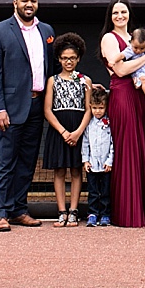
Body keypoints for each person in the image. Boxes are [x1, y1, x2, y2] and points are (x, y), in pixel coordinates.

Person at [0, 0, 58, 232]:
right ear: (15, 3)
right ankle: (0, 212)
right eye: (25, 0)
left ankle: (18, 209)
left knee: (27, 161)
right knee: (6, 161)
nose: (29, 4)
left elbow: (51, 70)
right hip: (11, 108)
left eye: (33, 0)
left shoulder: (46, 31)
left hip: (38, 105)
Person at [99, 0, 145, 227]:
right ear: (110, 16)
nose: (119, 16)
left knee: (141, 148)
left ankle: (144, 212)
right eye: (115, 12)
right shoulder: (109, 38)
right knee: (127, 150)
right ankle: (127, 213)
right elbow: (121, 69)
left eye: (123, 11)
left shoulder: (135, 36)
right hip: (123, 96)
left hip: (140, 97)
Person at [42, 32, 92, 228]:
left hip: (78, 128)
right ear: (59, 59)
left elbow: (89, 108)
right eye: (64, 58)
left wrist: (78, 132)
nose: (68, 61)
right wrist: (63, 132)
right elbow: (47, 109)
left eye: (72, 58)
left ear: (78, 58)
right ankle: (61, 211)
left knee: (77, 170)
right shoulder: (52, 80)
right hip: (59, 129)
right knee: (59, 170)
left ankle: (74, 211)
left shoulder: (85, 80)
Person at [82, 87, 114, 227]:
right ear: (90, 107)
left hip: (106, 165)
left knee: (106, 192)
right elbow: (85, 142)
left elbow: (113, 142)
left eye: (100, 107)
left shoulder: (110, 123)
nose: (98, 111)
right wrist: (86, 160)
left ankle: (105, 214)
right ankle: (93, 214)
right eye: (94, 108)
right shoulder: (89, 123)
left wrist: (110, 161)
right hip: (92, 164)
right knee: (93, 191)